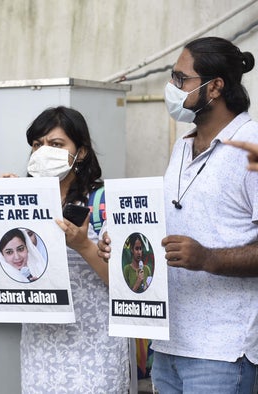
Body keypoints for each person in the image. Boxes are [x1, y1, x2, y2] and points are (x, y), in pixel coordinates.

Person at [99, 37, 258, 393]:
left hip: (222, 351)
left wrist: (208, 258)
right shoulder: (183, 145)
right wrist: (124, 240)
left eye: (180, 79)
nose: (171, 88)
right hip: (168, 344)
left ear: (215, 87)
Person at [4, 106, 129, 392]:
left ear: (80, 152)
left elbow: (125, 283)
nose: (44, 151)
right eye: (38, 145)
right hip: (41, 346)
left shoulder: (104, 200)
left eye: (56, 144)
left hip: (97, 348)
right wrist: (4, 203)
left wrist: (84, 245)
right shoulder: (24, 201)